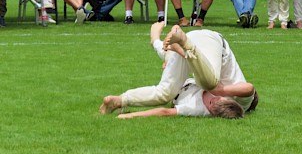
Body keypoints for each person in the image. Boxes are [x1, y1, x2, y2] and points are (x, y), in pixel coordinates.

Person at [99, 23, 258, 119]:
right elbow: (249, 89)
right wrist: (220, 90)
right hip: (212, 42)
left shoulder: (208, 109)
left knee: (164, 93)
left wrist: (156, 40)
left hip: (191, 47)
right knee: (209, 83)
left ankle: (118, 100)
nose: (214, 100)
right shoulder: (240, 104)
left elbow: (165, 110)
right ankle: (184, 42)